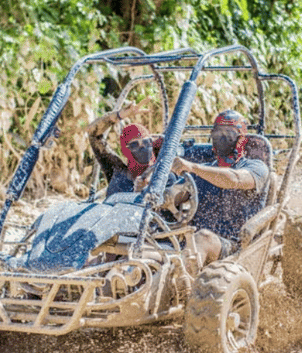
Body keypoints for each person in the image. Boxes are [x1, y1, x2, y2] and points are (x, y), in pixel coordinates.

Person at [168, 109, 269, 265]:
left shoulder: (256, 167)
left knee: (202, 238)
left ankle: (182, 288)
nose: (222, 137)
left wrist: (193, 167)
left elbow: (234, 179)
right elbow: (173, 195)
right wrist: (151, 186)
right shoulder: (202, 170)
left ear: (241, 139)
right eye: (217, 132)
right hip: (193, 243)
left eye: (229, 133)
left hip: (236, 246)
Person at [86, 101, 161, 197]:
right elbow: (92, 132)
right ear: (126, 150)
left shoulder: (162, 171)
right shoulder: (117, 171)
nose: (143, 148)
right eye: (134, 145)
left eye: (146, 142)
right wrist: (118, 115)